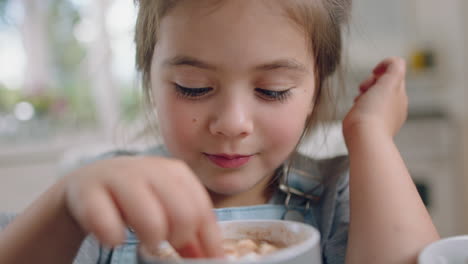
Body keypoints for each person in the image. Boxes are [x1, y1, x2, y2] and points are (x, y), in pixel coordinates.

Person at [0, 0, 440, 263]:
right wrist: (64, 204)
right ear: (149, 79)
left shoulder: (343, 195)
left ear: (314, 89)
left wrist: (370, 135)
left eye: (272, 91)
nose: (232, 123)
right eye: (194, 88)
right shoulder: (106, 202)